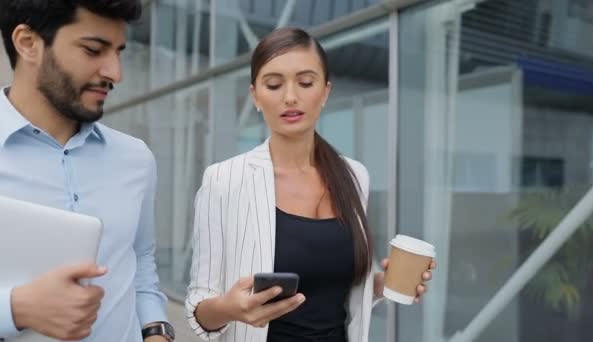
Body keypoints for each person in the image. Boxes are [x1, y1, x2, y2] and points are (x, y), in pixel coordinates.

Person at [186, 27, 436, 342]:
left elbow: (340, 288)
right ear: (256, 96)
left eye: (305, 82)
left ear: (325, 92)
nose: (290, 97)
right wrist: (229, 308)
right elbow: (199, 307)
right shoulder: (223, 180)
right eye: (274, 84)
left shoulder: (354, 176)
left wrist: (386, 282)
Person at [0, 1, 175, 341]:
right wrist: (16, 308)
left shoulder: (136, 160)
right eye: (94, 50)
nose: (115, 73)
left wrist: (156, 331)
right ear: (28, 43)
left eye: (118, 52)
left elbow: (140, 263)